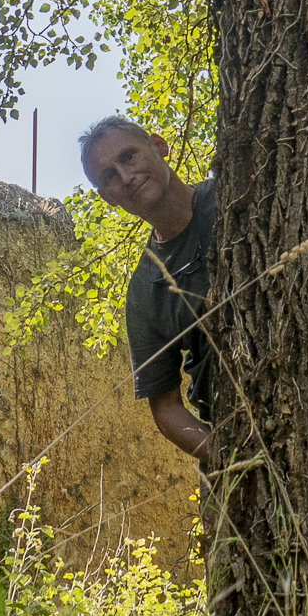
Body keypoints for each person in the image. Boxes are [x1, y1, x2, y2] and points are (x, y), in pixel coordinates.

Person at [78, 116, 217, 461]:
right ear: (106, 197)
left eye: (129, 157)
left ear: (158, 146)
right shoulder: (144, 290)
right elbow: (167, 408)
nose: (126, 177)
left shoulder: (233, 198)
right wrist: (229, 457)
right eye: (109, 176)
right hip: (234, 429)